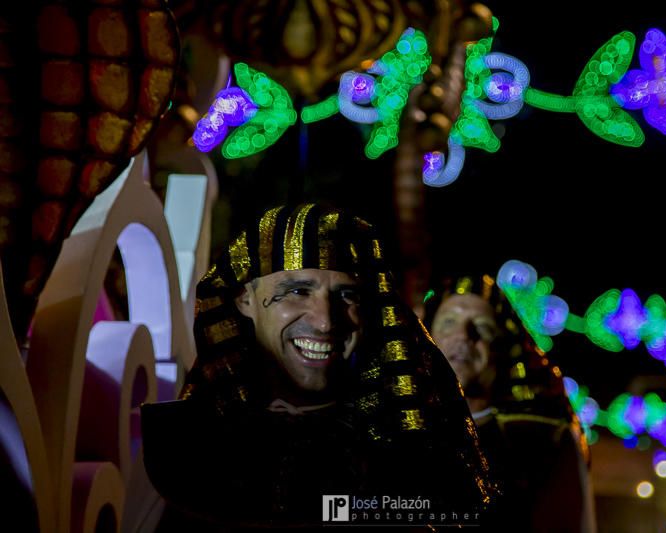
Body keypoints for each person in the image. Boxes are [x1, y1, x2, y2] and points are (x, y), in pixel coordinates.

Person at [141, 204, 495, 530]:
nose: (326, 322)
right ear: (245, 299)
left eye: (347, 295)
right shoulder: (187, 444)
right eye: (297, 291)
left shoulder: (412, 454)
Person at [424, 273, 596, 532]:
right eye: (449, 322)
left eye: (482, 327)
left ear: (502, 349)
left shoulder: (545, 440)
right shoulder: (392, 427)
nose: (463, 335)